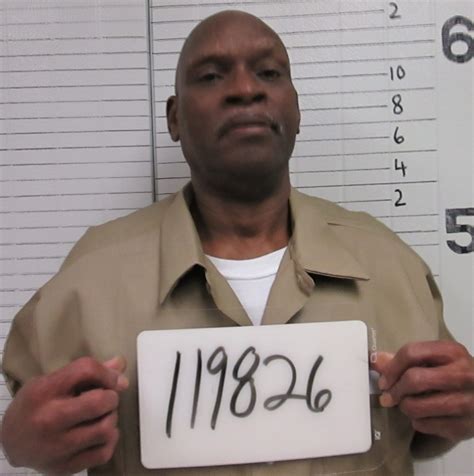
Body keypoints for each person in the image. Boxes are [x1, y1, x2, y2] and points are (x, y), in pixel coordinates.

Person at [1, 10, 473, 476]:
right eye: (211, 76)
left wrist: (461, 411)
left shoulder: (389, 264)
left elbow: (429, 432)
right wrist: (19, 443)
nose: (246, 89)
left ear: (296, 109)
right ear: (175, 118)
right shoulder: (92, 277)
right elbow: (29, 425)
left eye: (269, 73)